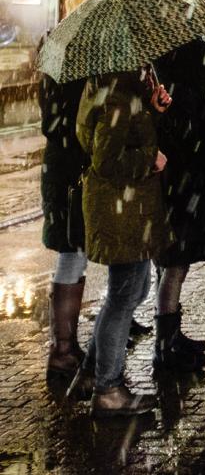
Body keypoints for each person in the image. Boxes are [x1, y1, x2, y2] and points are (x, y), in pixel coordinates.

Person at [75, 66, 175, 417]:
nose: (148, 67)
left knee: (131, 290)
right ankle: (108, 389)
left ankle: (90, 373)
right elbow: (106, 160)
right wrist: (150, 159)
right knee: (125, 295)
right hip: (122, 212)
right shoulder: (117, 96)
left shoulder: (113, 88)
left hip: (127, 210)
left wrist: (152, 109)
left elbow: (129, 139)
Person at [150, 37, 205, 372]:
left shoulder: (164, 87)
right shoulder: (189, 93)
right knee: (175, 263)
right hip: (184, 188)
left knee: (173, 262)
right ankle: (166, 343)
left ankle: (171, 335)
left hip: (173, 189)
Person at [39, 70, 90, 384]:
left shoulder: (56, 78)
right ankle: (62, 350)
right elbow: (79, 128)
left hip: (63, 173)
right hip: (70, 178)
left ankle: (66, 345)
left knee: (74, 255)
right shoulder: (76, 82)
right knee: (72, 256)